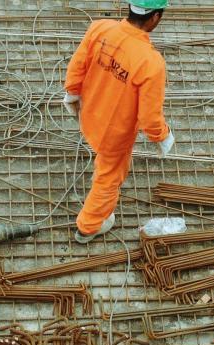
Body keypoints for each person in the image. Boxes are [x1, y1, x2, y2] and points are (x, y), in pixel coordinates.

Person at [62, 0, 174, 244]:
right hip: (114, 134)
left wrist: (72, 92)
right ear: (155, 17)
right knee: (109, 177)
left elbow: (77, 65)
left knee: (103, 162)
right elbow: (150, 117)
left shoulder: (100, 28)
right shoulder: (150, 62)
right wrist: (162, 136)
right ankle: (88, 227)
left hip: (89, 114)